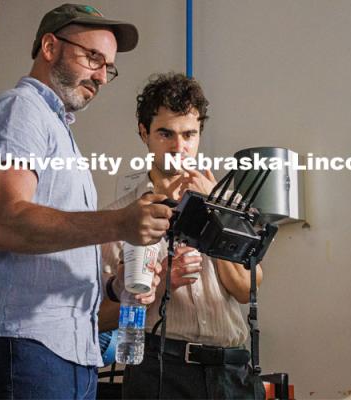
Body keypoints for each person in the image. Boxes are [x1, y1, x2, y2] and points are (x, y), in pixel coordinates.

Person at [0, 3, 171, 400]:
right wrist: (119, 224)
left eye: (109, 67)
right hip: (23, 346)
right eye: (93, 58)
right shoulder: (18, 111)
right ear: (50, 46)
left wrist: (114, 288)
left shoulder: (56, 131)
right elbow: (5, 222)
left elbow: (52, 262)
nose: (102, 76)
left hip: (66, 353)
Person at [101, 72, 265, 399]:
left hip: (232, 370)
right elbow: (101, 317)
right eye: (166, 133)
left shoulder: (229, 203)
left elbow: (249, 288)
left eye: (189, 134)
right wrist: (158, 285)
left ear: (199, 133)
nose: (180, 147)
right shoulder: (122, 215)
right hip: (159, 368)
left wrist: (216, 211)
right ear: (143, 132)